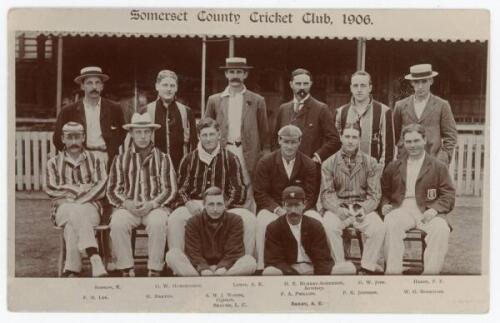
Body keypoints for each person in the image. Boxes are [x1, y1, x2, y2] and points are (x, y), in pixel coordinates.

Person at [167, 117, 256, 255]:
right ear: (198, 136)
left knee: (249, 219)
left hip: (224, 204)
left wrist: (223, 206)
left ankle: (245, 262)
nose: (208, 139)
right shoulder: (189, 159)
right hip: (196, 205)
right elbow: (181, 189)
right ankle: (178, 262)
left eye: (212, 134)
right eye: (204, 135)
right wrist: (188, 203)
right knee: (175, 218)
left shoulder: (231, 158)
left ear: (219, 135)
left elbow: (239, 189)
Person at [107, 112, 177, 277]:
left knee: (159, 222)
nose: (143, 136)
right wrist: (127, 203)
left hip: (154, 207)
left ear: (151, 133)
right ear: (131, 134)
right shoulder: (120, 158)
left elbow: (170, 189)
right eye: (138, 132)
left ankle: (154, 268)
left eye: (146, 132)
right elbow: (112, 189)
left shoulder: (163, 158)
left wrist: (152, 204)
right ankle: (126, 267)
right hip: (129, 207)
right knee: (117, 222)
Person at [382, 124, 455, 275]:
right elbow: (384, 192)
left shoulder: (438, 166)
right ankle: (393, 273)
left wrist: (434, 210)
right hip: (402, 209)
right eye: (408, 142)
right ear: (403, 142)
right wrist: (384, 205)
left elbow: (448, 194)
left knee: (441, 228)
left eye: (416, 141)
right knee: (390, 221)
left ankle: (430, 276)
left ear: (424, 140)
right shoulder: (394, 166)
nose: (412, 145)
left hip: (428, 211)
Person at [318, 122, 385, 274]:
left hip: (361, 207)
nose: (350, 141)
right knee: (328, 226)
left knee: (378, 227)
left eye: (354, 137)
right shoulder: (329, 163)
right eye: (347, 136)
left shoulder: (371, 162)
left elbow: (375, 195)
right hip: (339, 207)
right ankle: (340, 266)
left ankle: (367, 267)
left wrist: (364, 209)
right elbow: (326, 193)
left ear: (360, 139)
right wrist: (337, 209)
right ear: (341, 137)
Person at [205, 57, 269, 211]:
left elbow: (264, 131)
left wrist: (264, 155)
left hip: (247, 151)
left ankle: (246, 220)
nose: (235, 76)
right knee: (221, 184)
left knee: (247, 186)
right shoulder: (215, 100)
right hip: (223, 149)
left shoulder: (257, 100)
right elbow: (206, 127)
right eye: (231, 72)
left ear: (245, 75)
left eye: (239, 72)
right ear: (226, 74)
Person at [45, 122, 108, 277]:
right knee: (74, 212)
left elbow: (101, 187)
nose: (73, 142)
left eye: (77, 137)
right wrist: (81, 189)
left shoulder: (96, 159)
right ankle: (94, 255)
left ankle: (72, 269)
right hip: (63, 210)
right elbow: (51, 188)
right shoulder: (52, 163)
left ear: (83, 138)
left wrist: (71, 197)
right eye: (69, 137)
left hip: (89, 208)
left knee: (72, 224)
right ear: (62, 139)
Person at [253, 125, 318, 270]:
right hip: (273, 207)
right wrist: (277, 210)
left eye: (293, 142)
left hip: (301, 209)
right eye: (286, 142)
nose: (289, 146)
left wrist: (298, 210)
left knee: (318, 220)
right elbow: (260, 193)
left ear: (300, 141)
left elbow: (311, 194)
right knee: (263, 221)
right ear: (279, 141)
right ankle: (261, 266)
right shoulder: (265, 162)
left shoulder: (309, 164)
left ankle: (316, 262)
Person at [166, 187, 257, 276]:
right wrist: (204, 269)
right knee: (172, 255)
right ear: (204, 205)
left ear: (225, 205)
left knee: (250, 262)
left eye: (219, 204)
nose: (215, 209)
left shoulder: (235, 220)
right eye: (211, 204)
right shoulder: (193, 222)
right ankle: (200, 281)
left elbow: (234, 251)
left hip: (226, 270)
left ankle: (218, 280)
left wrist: (222, 268)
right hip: (199, 269)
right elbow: (193, 252)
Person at [53, 66, 126, 168]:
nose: (94, 87)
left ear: (102, 86)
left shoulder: (114, 109)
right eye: (89, 83)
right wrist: (74, 154)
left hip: (106, 157)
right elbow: (57, 139)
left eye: (97, 83)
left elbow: (122, 133)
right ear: (82, 86)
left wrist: (111, 149)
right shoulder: (69, 111)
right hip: (80, 159)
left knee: (106, 184)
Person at [263, 186, 341, 275]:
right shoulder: (274, 227)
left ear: (304, 204)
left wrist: (316, 279)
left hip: (312, 268)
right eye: (289, 205)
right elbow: (274, 261)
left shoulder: (315, 226)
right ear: (283, 205)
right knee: (270, 272)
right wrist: (294, 275)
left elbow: (322, 259)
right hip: (288, 270)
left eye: (297, 205)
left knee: (347, 269)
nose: (293, 210)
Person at [393, 64, 457, 165]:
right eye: (417, 82)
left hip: (432, 163)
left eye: (424, 81)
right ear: (411, 82)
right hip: (406, 163)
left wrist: (442, 160)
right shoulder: (400, 106)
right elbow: (394, 135)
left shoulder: (442, 105)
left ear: (431, 81)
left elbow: (451, 136)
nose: (420, 86)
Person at [273, 68, 340, 164]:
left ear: (311, 84)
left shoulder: (321, 108)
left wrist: (317, 156)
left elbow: (334, 140)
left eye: (305, 84)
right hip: (285, 166)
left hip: (309, 167)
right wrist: (278, 158)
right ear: (291, 84)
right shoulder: (283, 108)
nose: (302, 87)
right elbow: (275, 138)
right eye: (298, 84)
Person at [336, 70, 395, 165]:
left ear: (370, 88)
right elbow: (336, 144)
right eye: (355, 86)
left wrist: (380, 174)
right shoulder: (341, 112)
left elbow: (388, 150)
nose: (359, 89)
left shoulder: (384, 111)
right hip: (347, 172)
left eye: (363, 85)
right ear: (351, 88)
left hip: (373, 173)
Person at [142, 69, 197, 170]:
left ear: (176, 88)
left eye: (172, 86)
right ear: (157, 86)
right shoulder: (146, 111)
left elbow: (193, 143)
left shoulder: (186, 111)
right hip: (153, 167)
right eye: (165, 85)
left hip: (181, 167)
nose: (169, 89)